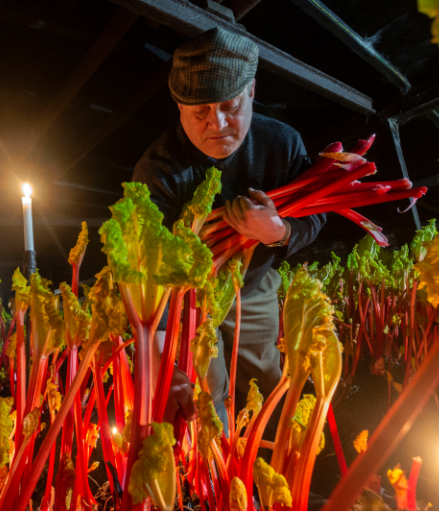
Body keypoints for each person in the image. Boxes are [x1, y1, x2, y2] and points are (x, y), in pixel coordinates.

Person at [132, 27, 326, 442]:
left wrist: (277, 231)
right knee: (207, 390)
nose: (216, 125)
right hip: (187, 302)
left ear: (252, 92)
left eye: (230, 106)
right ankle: (220, 466)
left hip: (252, 286)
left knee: (267, 376)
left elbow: (317, 215)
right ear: (179, 107)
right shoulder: (158, 169)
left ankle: (276, 454)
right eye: (199, 113)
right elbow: (145, 268)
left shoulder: (282, 143)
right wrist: (161, 353)